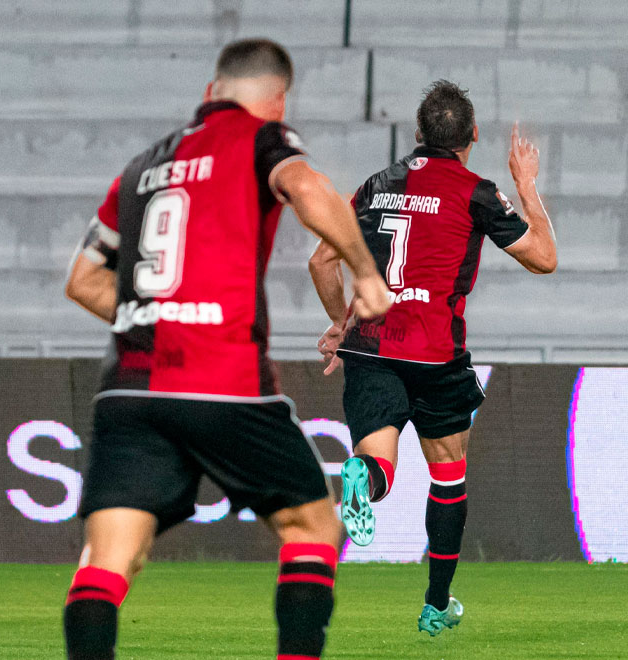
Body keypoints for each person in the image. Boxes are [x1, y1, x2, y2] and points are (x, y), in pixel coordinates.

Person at [61, 38, 392, 660]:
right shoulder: (261, 138)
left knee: (108, 557)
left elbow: (82, 280)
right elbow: (308, 186)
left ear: (210, 91)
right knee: (311, 527)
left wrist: (158, 319)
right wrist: (365, 272)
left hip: (129, 390)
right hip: (224, 382)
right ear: (279, 99)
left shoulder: (139, 168)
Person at [309, 80, 557, 635]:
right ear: (473, 136)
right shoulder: (476, 192)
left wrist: (341, 322)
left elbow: (322, 261)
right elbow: (544, 258)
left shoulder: (374, 186)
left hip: (372, 347)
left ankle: (364, 477)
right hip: (436, 355)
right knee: (447, 474)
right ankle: (436, 604)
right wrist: (526, 184)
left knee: (379, 463)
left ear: (418, 132)